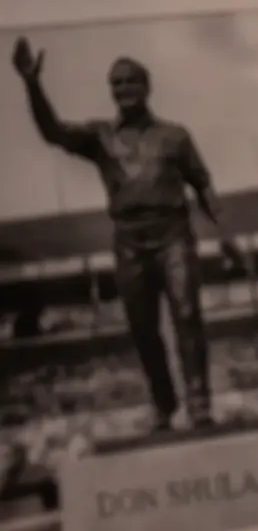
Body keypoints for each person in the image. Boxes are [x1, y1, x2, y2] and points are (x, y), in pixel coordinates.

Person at [12, 38, 243, 435]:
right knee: (141, 327)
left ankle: (199, 402)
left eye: (131, 81)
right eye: (116, 84)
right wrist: (32, 84)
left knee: (187, 316)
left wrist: (227, 236)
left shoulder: (175, 136)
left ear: (147, 86)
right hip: (129, 240)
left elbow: (203, 186)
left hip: (173, 234)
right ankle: (163, 405)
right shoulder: (99, 136)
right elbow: (53, 132)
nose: (123, 90)